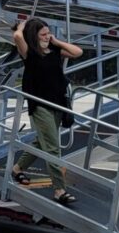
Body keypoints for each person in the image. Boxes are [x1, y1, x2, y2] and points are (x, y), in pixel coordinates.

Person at [11, 16, 82, 205]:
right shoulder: (29, 52)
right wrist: (23, 25)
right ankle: (59, 189)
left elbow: (77, 52)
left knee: (42, 143)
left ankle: (17, 169)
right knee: (52, 146)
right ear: (34, 35)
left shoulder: (55, 50)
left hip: (58, 103)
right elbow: (18, 36)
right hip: (39, 103)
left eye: (48, 33)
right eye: (43, 34)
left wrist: (56, 41)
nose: (47, 36)